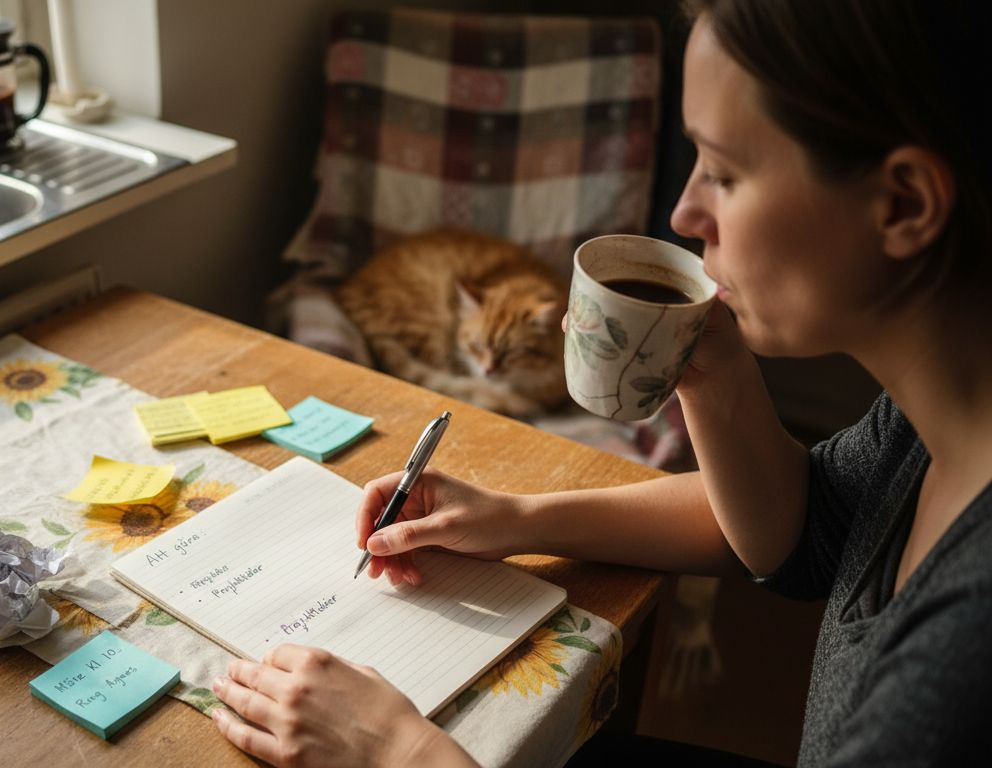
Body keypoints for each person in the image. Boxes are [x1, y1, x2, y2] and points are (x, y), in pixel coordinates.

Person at [209, 1, 992, 765]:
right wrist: (518, 517)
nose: (685, 212)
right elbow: (810, 523)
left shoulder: (966, 643)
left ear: (904, 203)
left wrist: (395, 750)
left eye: (722, 172)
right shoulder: (935, 416)